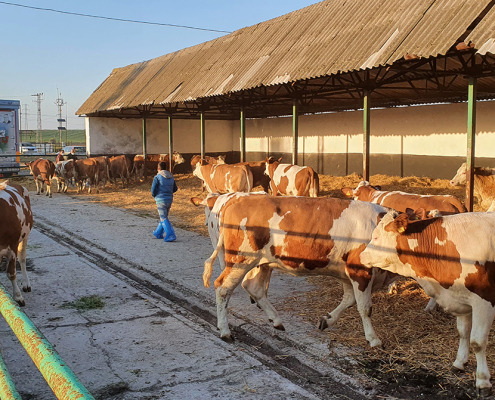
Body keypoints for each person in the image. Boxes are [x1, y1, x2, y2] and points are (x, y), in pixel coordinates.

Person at [151, 161, 178, 242]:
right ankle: (158, 233)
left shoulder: (157, 177)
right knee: (164, 217)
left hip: (160, 200)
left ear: (158, 168)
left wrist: (155, 196)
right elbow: (175, 189)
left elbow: (153, 190)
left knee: (163, 217)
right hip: (169, 200)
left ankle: (170, 234)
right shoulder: (171, 176)